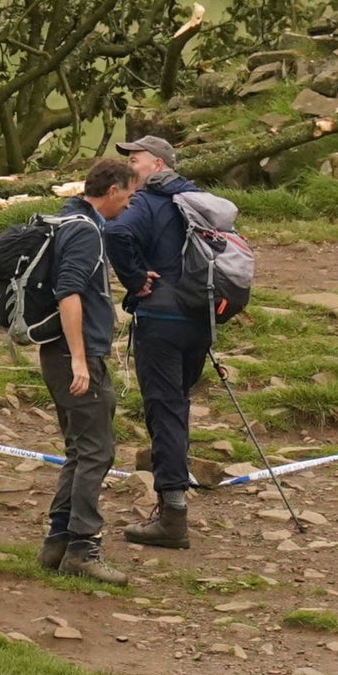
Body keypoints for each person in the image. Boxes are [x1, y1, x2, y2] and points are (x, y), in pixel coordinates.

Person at [102, 133, 206, 551]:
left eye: (137, 160)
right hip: (201, 317)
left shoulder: (146, 202)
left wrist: (134, 279)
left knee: (163, 408)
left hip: (161, 317)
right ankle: (174, 496)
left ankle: (173, 517)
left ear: (158, 165)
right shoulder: (199, 200)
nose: (131, 167)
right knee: (177, 403)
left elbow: (116, 236)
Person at [35, 156, 134, 584]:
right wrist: (79, 357)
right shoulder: (85, 231)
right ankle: (83, 550)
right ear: (112, 191)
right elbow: (69, 292)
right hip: (73, 354)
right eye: (129, 196)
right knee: (97, 451)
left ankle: (57, 544)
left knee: (80, 449)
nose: (130, 205)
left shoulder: (66, 219)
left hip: (59, 352)